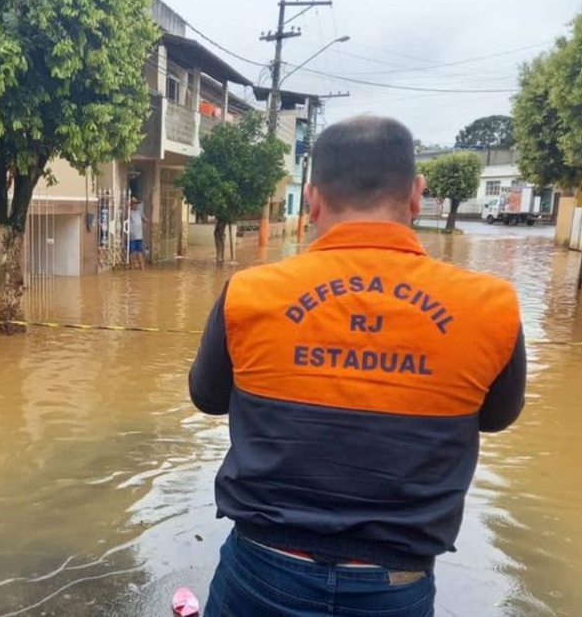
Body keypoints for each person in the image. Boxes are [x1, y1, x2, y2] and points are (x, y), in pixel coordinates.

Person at [190, 116, 526, 616]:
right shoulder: (490, 305)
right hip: (396, 584)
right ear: (416, 194)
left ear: (313, 198)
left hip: (263, 572)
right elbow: (496, 417)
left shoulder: (250, 293)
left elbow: (208, 396)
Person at [128, 196, 149, 269]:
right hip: (132, 236)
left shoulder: (139, 212)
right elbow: (124, 218)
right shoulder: (129, 212)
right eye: (134, 204)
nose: (136, 205)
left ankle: (142, 267)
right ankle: (132, 267)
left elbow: (144, 219)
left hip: (139, 236)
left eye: (136, 204)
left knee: (139, 252)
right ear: (131, 205)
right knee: (132, 252)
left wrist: (146, 220)